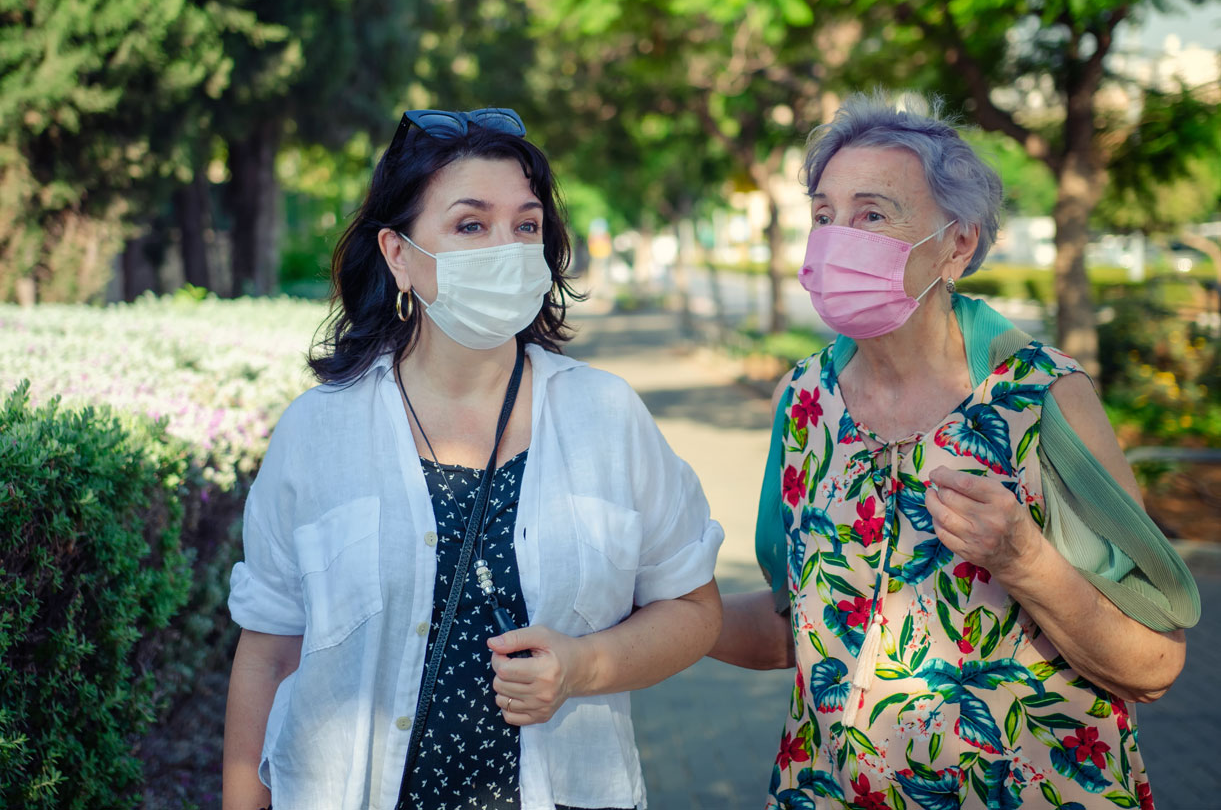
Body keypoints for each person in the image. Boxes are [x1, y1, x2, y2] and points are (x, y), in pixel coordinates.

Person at [222, 107, 724, 810]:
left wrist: (584, 666)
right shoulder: (317, 431)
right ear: (398, 254)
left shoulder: (606, 415)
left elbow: (694, 608)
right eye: (470, 224)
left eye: (526, 225)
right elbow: (271, 644)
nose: (508, 247)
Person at [709, 93, 1200, 810]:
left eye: (871, 214)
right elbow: (798, 626)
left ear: (957, 245)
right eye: (823, 215)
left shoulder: (1038, 397)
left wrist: (1022, 557)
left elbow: (1153, 664)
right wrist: (657, 614)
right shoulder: (804, 399)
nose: (836, 237)